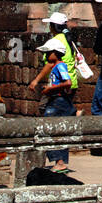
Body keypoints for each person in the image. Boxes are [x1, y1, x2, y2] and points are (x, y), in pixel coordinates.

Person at [36, 36, 75, 172]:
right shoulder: (56, 67)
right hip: (57, 100)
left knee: (47, 128)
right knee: (58, 131)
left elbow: (68, 82)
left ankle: (59, 161)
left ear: (55, 53)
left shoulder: (60, 66)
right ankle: (60, 161)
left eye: (48, 53)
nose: (46, 56)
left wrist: (50, 89)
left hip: (58, 101)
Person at [29, 12, 80, 107]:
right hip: (71, 81)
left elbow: (51, 63)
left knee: (44, 107)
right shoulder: (68, 39)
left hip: (59, 82)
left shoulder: (55, 42)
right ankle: (74, 113)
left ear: (53, 27)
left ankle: (75, 113)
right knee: (63, 108)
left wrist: (36, 80)